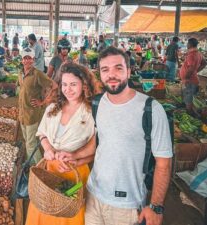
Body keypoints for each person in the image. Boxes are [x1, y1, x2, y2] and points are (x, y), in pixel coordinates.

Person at [58, 46, 173, 225]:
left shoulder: (150, 109)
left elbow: (164, 163)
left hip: (126, 205)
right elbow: (100, 140)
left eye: (118, 68)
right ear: (100, 74)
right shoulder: (97, 103)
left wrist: (156, 206)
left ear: (128, 71)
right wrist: (75, 155)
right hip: (93, 195)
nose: (111, 75)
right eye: (105, 69)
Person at [25, 62, 100, 225]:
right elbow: (42, 134)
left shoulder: (91, 112)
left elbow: (97, 148)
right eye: (64, 84)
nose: (68, 89)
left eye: (73, 84)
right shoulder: (53, 107)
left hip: (75, 173)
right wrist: (48, 149)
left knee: (68, 217)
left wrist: (77, 159)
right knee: (44, 213)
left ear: (84, 85)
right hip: (48, 174)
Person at [17, 47, 58, 164]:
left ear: (33, 60)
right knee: (27, 141)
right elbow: (20, 88)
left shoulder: (38, 74)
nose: (27, 61)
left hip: (32, 114)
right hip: (22, 114)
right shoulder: (20, 73)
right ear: (22, 60)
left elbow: (54, 86)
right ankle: (31, 164)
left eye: (29, 58)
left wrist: (43, 102)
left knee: (30, 143)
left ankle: (39, 166)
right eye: (25, 58)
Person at [180, 38, 207, 115]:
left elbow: (191, 68)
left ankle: (190, 115)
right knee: (187, 98)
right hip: (192, 80)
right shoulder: (198, 53)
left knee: (189, 100)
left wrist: (186, 78)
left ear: (190, 44)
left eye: (187, 43)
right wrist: (196, 71)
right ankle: (187, 110)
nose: (187, 45)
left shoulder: (192, 55)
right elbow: (204, 63)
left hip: (190, 81)